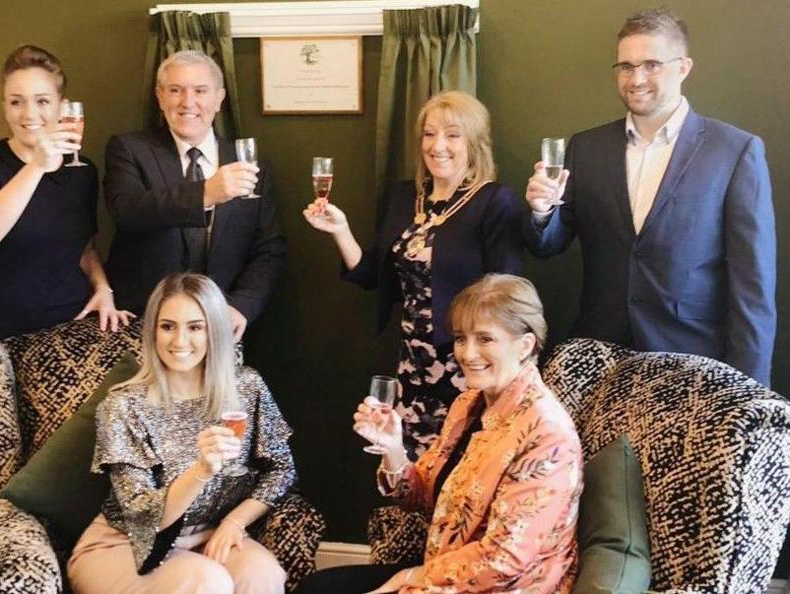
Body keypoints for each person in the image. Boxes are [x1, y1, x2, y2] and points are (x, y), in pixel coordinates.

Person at [523, 7, 776, 385]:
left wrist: (749, 390)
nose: (636, 78)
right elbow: (549, 244)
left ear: (683, 68)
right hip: (600, 359)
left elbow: (752, 287)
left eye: (652, 65)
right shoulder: (586, 148)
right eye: (625, 66)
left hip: (693, 363)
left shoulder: (734, 151)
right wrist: (542, 212)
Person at [296, 274, 582, 594]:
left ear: (525, 345)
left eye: (485, 339)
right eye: (461, 339)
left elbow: (504, 561)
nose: (467, 354)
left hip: (502, 587)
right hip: (446, 571)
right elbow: (421, 497)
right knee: (316, 588)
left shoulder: (547, 434)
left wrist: (409, 577)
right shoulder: (468, 405)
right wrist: (393, 447)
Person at [304, 90, 525, 459]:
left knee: (464, 465)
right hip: (413, 363)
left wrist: (482, 361)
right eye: (429, 134)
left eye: (452, 135)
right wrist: (340, 230)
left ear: (474, 143)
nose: (438, 146)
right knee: (412, 465)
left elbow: (507, 296)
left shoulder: (493, 200)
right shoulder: (405, 197)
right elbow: (373, 276)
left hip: (468, 363)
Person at [68, 273, 296, 594]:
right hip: (125, 543)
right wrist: (201, 470)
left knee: (262, 575)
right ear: (152, 331)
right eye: (167, 326)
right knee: (208, 581)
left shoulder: (247, 387)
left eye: (195, 327)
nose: (179, 341)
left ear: (214, 331)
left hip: (206, 534)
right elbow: (143, 518)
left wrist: (234, 522)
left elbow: (281, 469)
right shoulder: (123, 405)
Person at [0, 44, 132, 452]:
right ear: (4, 107)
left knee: (58, 465)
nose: (28, 113)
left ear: (62, 107)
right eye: (16, 101)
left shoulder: (82, 171)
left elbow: (82, 248)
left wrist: (102, 287)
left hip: (61, 337)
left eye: (41, 101)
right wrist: (36, 165)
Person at [103, 50, 286, 342]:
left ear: (219, 98)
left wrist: (242, 306)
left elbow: (269, 250)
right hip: (142, 322)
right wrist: (206, 193)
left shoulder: (252, 166)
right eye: (176, 90)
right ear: (160, 97)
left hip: (221, 325)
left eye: (200, 91)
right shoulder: (129, 149)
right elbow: (127, 211)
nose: (188, 102)